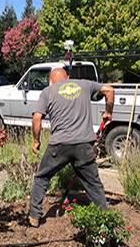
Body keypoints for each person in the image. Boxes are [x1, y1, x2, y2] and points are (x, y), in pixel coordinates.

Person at [29, 67, 114, 227]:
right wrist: (108, 112)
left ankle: (34, 216)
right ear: (68, 77)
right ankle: (103, 221)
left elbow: (37, 118)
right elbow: (109, 90)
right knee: (93, 183)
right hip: (83, 144)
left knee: (42, 177)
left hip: (59, 145)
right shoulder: (84, 85)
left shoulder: (48, 91)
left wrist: (36, 141)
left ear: (51, 80)